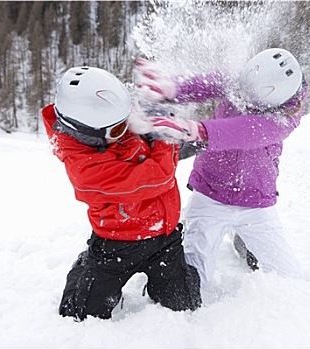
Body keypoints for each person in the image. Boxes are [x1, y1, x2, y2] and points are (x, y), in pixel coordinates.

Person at [134, 48, 308, 288]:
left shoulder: (284, 118)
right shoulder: (250, 77)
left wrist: (198, 130)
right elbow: (213, 82)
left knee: (291, 279)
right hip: (211, 192)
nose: (240, 96)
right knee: (193, 281)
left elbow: (247, 130)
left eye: (249, 99)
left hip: (255, 202)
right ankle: (237, 239)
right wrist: (173, 88)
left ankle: (243, 241)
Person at [42, 66, 201, 321]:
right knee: (81, 313)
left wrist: (160, 110)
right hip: (116, 245)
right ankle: (85, 267)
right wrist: (165, 137)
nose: (126, 128)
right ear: (87, 133)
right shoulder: (86, 170)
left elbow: (142, 134)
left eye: (126, 120)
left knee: (185, 301)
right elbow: (157, 177)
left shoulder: (109, 124)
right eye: (118, 129)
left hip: (164, 236)